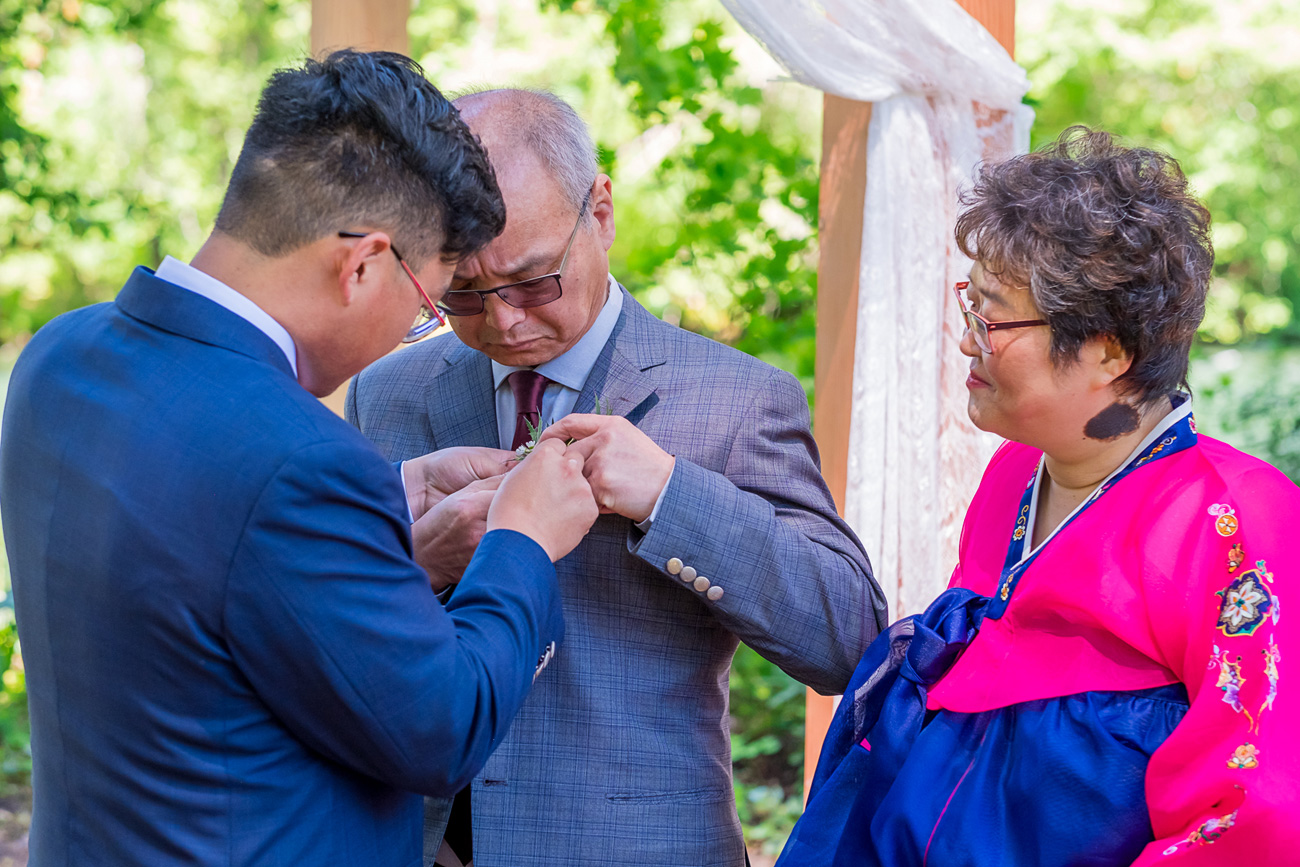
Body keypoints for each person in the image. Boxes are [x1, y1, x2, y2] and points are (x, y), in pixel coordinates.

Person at [0, 51, 599, 866]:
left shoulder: (59, 357)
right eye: (427, 306)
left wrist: (393, 496)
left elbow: (189, 550)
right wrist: (520, 542)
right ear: (360, 264)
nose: (410, 335)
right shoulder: (303, 462)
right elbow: (444, 728)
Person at [346, 88, 887, 867]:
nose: (504, 322)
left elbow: (851, 639)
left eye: (533, 281)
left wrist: (673, 495)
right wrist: (418, 552)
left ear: (598, 211)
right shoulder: (386, 390)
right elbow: (337, 627)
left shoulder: (737, 398)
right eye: (463, 293)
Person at [779, 127, 1300, 866]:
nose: (967, 342)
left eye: (990, 319)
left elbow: (1255, 814)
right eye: (972, 308)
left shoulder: (1233, 518)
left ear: (1110, 349)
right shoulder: (1014, 475)